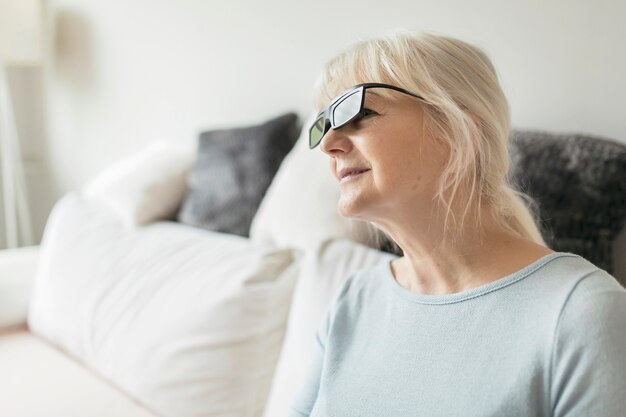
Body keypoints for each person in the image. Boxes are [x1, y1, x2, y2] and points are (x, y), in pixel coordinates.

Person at [288, 30, 626, 417]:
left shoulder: (583, 313)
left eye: (359, 112)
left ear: (460, 131)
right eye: (324, 123)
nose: (329, 143)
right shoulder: (353, 300)